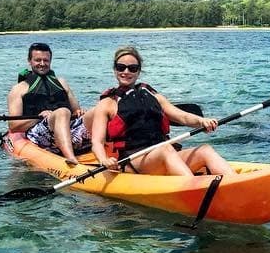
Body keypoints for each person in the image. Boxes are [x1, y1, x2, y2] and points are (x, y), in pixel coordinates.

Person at [89, 45, 236, 177]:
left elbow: (182, 116)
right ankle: (193, 187)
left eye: (132, 68)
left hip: (164, 155)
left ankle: (235, 184)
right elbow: (97, 141)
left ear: (138, 72)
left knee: (205, 150)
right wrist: (104, 160)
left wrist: (201, 121)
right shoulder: (107, 104)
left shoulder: (153, 96)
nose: (126, 72)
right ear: (115, 69)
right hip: (134, 161)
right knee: (165, 149)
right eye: (121, 67)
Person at [6, 42, 89, 165]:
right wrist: (39, 118)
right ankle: (71, 158)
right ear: (29, 61)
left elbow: (76, 111)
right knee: (62, 112)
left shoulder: (61, 83)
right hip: (38, 133)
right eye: (37, 60)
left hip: (68, 128)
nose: (42, 64)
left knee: (97, 110)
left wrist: (81, 112)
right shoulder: (19, 89)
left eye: (46, 60)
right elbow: (13, 126)